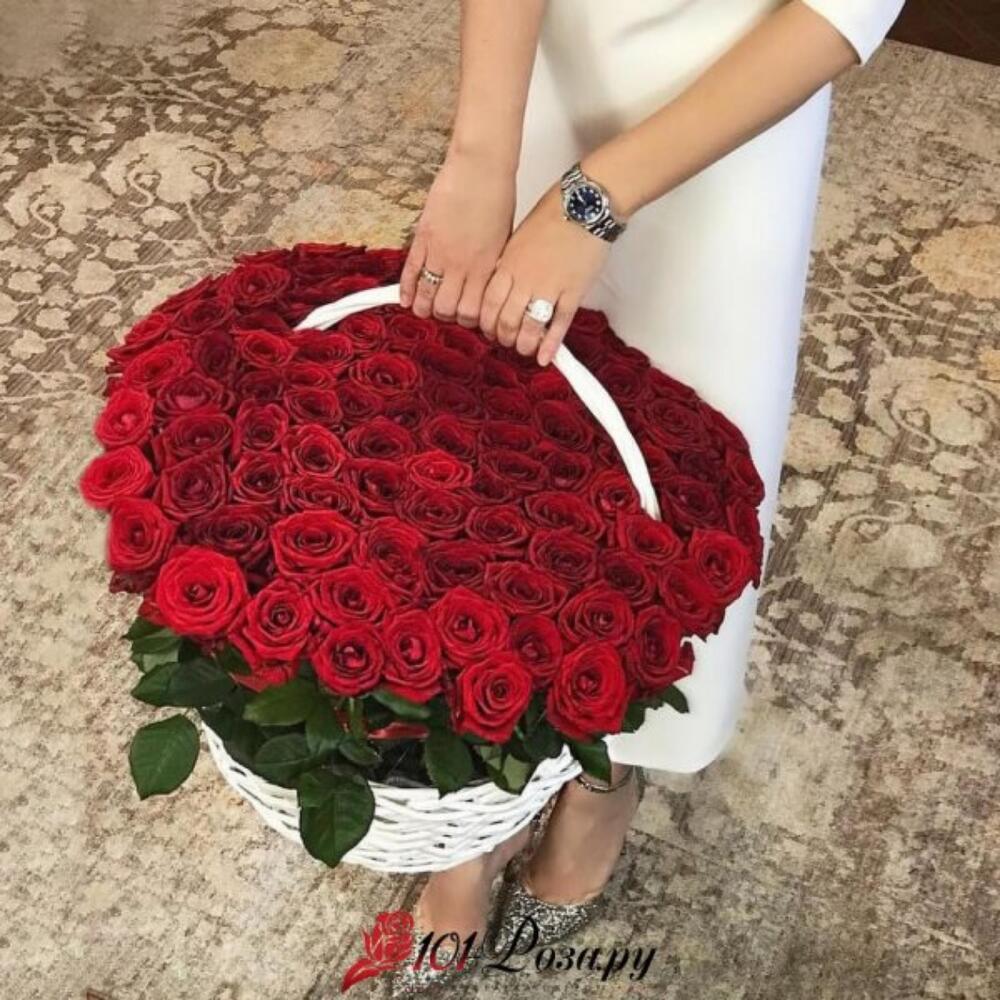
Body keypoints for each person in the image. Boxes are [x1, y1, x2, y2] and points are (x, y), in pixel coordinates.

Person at [389, 1, 905, 995]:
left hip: (738, 94)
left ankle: (606, 774)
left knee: (678, 479)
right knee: (497, 448)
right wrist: (482, 154)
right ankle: (485, 786)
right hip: (544, 49)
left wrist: (592, 201)